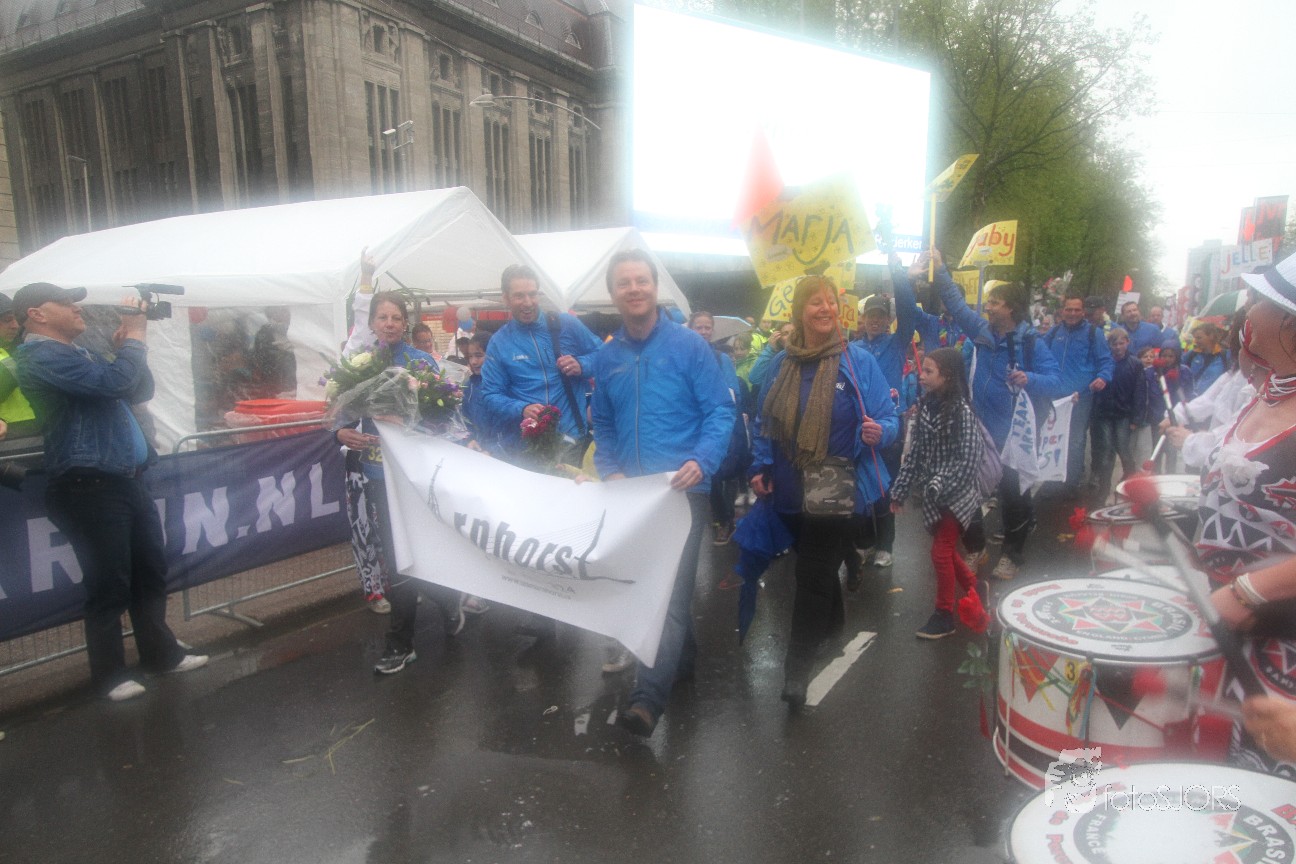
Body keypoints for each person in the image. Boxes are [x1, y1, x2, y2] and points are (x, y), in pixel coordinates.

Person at [12, 282, 208, 702]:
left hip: (124, 479)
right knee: (109, 584)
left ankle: (161, 654)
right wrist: (135, 336)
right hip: (89, 485)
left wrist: (127, 347)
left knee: (148, 571)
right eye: (65, 303)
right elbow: (113, 384)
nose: (77, 309)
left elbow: (137, 388)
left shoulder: (75, 352)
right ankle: (109, 675)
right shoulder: (41, 355)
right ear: (36, 314)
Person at [591, 249, 735, 736]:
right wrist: (609, 470)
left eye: (642, 280)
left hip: (682, 492)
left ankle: (647, 700)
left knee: (665, 593)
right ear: (613, 294)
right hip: (632, 497)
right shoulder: (607, 356)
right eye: (624, 283)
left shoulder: (689, 346)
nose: (634, 289)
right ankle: (682, 660)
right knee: (660, 588)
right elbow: (603, 423)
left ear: (655, 288)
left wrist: (702, 460)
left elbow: (719, 410)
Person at [749, 274, 898, 707]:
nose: (825, 308)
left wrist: (880, 431)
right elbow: (765, 420)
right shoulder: (782, 362)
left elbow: (890, 418)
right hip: (789, 486)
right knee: (814, 564)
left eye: (830, 301)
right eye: (815, 302)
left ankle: (796, 672)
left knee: (811, 574)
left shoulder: (857, 361)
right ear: (800, 311)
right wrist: (761, 464)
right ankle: (833, 622)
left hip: (838, 486)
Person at [333, 292, 463, 674]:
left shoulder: (421, 362)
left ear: (404, 323)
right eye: (382, 317)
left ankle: (446, 600)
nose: (389, 323)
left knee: (420, 552)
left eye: (395, 317)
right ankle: (402, 642)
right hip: (377, 473)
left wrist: (408, 423)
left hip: (415, 475)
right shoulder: (360, 363)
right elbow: (340, 408)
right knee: (395, 558)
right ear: (372, 323)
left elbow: (445, 420)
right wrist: (340, 433)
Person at [1202, 250, 1296, 775]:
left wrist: (1249, 591)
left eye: (1258, 300)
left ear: (1289, 324)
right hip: (1238, 640)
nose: (1247, 311)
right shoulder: (1266, 393)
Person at [931, 250, 1064, 581]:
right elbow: (956, 304)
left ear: (1011, 309)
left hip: (1012, 437)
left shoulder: (1032, 344)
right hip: (978, 430)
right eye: (989, 302)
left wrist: (1029, 378)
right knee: (966, 492)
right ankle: (977, 548)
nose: (988, 307)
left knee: (1012, 498)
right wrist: (940, 268)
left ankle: (1012, 555)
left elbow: (1056, 381)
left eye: (995, 302)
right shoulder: (980, 330)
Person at [889, 347, 984, 639]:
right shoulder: (925, 408)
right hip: (934, 496)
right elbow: (916, 454)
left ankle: (944, 615)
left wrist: (940, 483)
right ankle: (975, 589)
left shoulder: (962, 412)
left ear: (948, 376)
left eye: (929, 371)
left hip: (957, 495)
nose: (922, 375)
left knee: (940, 552)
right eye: (923, 369)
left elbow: (969, 458)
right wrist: (900, 490)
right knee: (947, 552)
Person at [481, 264, 602, 466]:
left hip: (572, 440)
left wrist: (582, 365)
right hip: (528, 447)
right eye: (519, 296)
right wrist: (522, 408)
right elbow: (490, 395)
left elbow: (605, 356)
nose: (528, 302)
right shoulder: (499, 342)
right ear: (506, 298)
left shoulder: (566, 324)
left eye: (532, 294)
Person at [854, 268, 920, 570]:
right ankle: (865, 541)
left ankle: (885, 546)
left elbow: (908, 313)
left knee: (884, 488)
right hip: (857, 426)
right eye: (871, 315)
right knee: (859, 486)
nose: (875, 320)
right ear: (863, 318)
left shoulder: (896, 343)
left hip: (888, 424)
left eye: (881, 316)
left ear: (888, 320)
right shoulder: (852, 349)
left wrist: (898, 271)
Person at [687, 310, 747, 545]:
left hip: (717, 423)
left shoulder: (722, 359)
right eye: (699, 327)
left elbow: (733, 394)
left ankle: (725, 519)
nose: (703, 331)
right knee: (705, 475)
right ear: (690, 329)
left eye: (707, 327)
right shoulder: (682, 356)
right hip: (692, 426)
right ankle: (719, 517)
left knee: (721, 473)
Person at [1043, 295, 1114, 495]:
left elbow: (1106, 361)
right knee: (1051, 438)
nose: (1072, 313)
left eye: (1076, 310)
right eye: (1069, 309)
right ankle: (1051, 479)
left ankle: (1071, 483)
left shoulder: (1093, 333)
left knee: (1075, 440)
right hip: (1054, 397)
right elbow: (1040, 354)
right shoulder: (1054, 332)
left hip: (1079, 398)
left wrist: (1103, 377)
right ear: (1062, 311)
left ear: (1083, 312)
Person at [1088, 328, 1148, 506]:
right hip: (1104, 413)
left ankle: (1129, 482)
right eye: (1114, 344)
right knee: (1106, 450)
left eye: (1121, 343)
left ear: (1127, 343)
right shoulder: (1105, 363)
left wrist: (1137, 418)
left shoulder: (1135, 364)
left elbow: (1140, 392)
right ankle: (1104, 488)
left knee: (1124, 449)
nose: (1118, 347)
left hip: (1123, 414)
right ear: (1109, 345)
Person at [0, 292, 38, 440]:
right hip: (9, 438)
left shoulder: (21, 348)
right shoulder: (19, 355)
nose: (15, 326)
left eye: (16, 319)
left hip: (35, 433)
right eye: (7, 320)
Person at [1185, 321, 1227, 392]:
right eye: (1195, 338)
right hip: (1192, 396)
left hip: (1214, 397)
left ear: (1211, 336)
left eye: (1199, 338)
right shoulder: (1191, 354)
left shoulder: (1225, 356)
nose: (1196, 341)